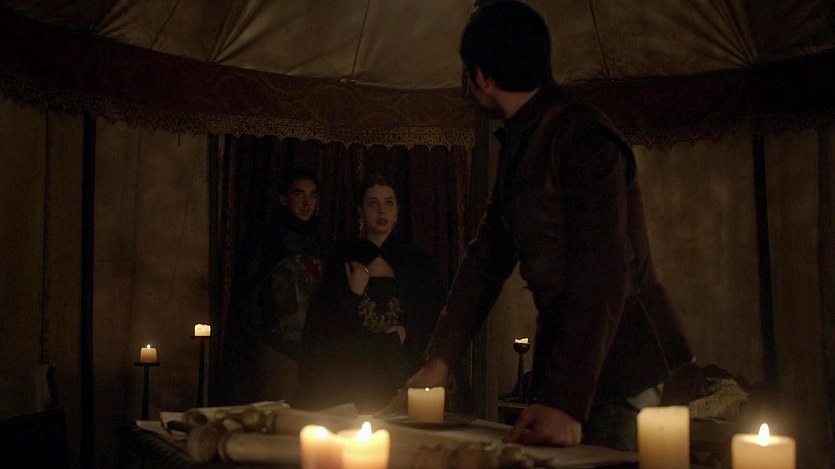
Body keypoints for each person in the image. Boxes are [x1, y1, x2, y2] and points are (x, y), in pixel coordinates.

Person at [385, 1, 694, 451]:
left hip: (619, 364)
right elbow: (485, 259)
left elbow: (604, 271)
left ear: (480, 76)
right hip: (570, 363)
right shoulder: (524, 141)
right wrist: (440, 360)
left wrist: (565, 401)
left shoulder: (583, 138)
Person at [292, 174, 446, 413]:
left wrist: (407, 332)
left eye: (389, 203)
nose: (382, 211)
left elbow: (431, 315)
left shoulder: (415, 261)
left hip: (401, 367)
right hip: (356, 371)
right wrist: (354, 292)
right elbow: (325, 326)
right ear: (361, 210)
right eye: (373, 203)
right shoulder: (344, 258)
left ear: (397, 209)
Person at [233, 165, 325, 403]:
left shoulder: (320, 241)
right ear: (284, 198)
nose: (307, 202)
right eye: (299, 194)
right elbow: (248, 292)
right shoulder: (268, 238)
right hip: (276, 346)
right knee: (275, 411)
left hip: (314, 347)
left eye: (312, 195)